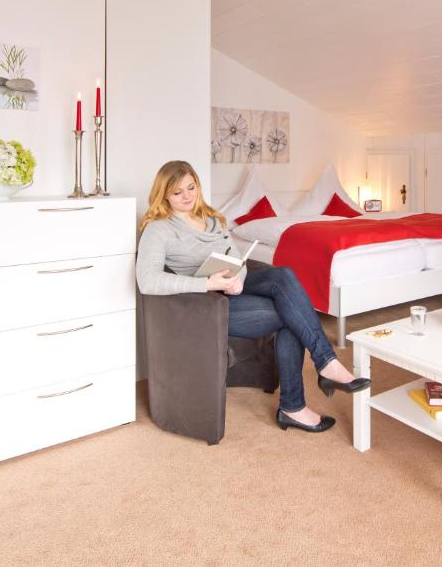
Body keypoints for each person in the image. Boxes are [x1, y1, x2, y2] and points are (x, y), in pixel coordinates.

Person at [136, 160, 370, 433]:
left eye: (191, 187)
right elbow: (147, 280)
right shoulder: (159, 228)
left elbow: (238, 260)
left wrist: (239, 279)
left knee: (283, 275)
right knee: (289, 316)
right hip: (206, 304)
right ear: (164, 194)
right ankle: (296, 403)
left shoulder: (213, 220)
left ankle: (324, 365)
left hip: (229, 289)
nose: (187, 196)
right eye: (178, 192)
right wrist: (206, 284)